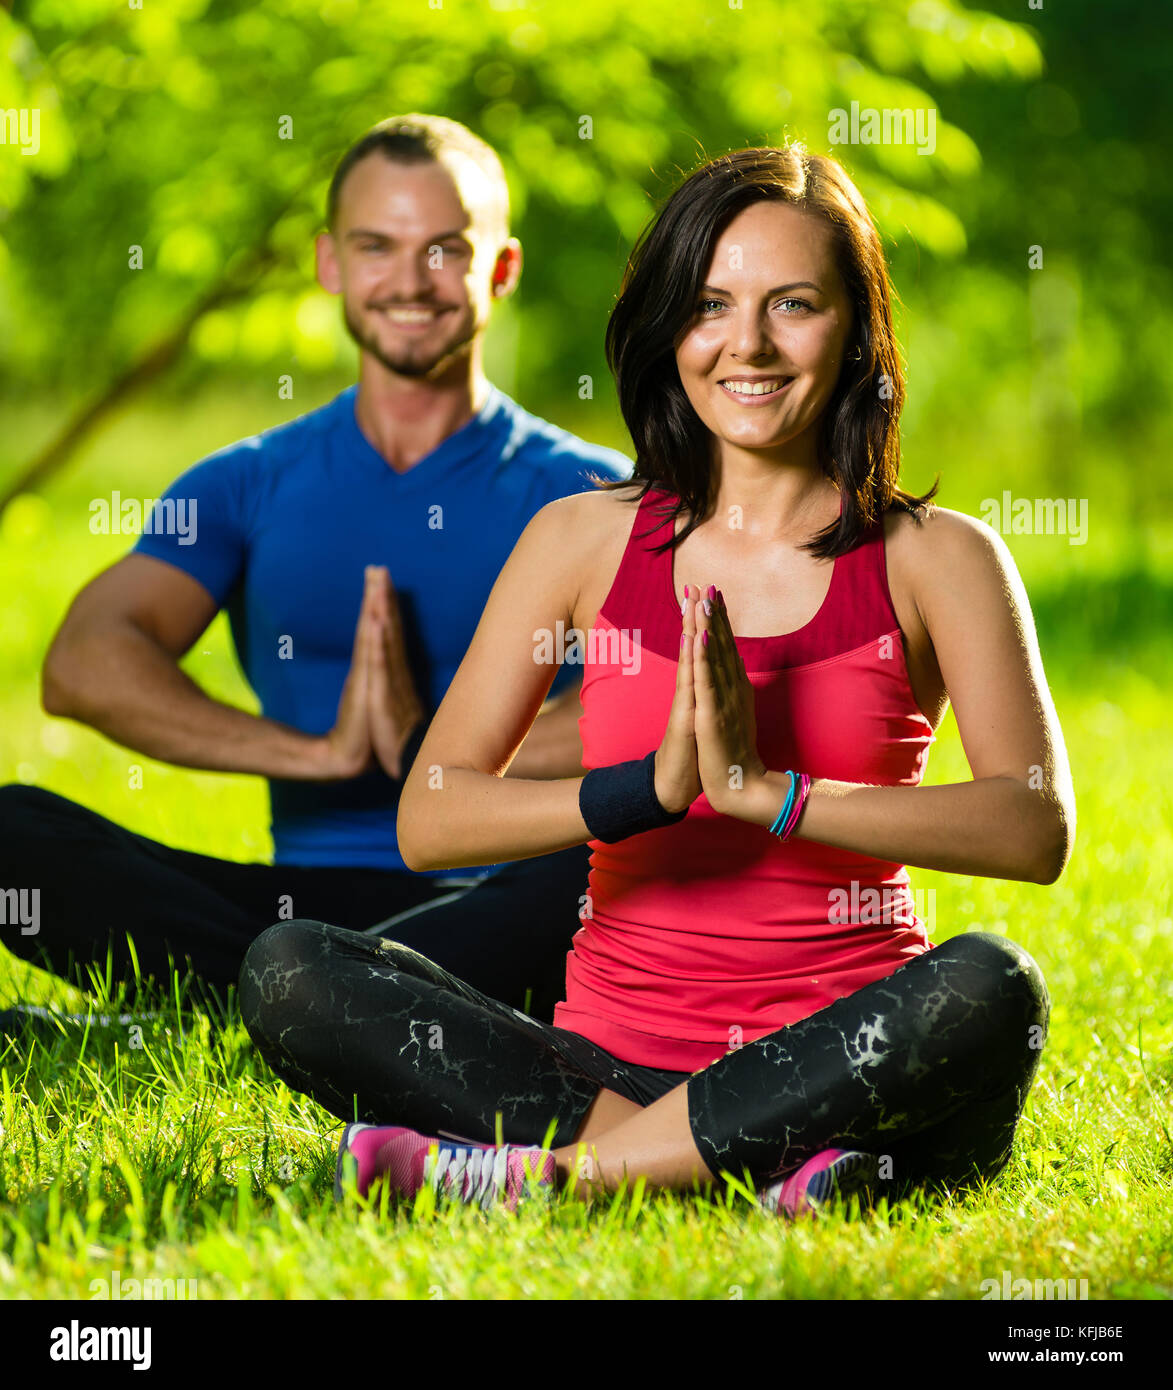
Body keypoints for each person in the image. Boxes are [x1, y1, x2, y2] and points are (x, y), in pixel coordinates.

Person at [238, 143, 1074, 1216]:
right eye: (711, 305)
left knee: (993, 985)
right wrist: (649, 792)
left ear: (857, 329)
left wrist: (774, 794)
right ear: (668, 328)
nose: (748, 345)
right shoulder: (581, 539)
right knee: (291, 964)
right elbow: (431, 817)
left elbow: (1032, 826)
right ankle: (743, 1173)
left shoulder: (935, 555)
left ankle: (561, 1180)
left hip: (846, 1067)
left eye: (795, 304)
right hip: (606, 1065)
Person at [0, 114, 630, 1030]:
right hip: (293, 907)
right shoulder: (244, 481)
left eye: (444, 250)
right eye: (377, 247)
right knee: (14, 831)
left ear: (502, 268)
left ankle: (250, 1006)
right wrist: (314, 755)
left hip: (502, 895)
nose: (409, 282)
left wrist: (434, 751)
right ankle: (306, 997)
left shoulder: (596, 494)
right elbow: (85, 662)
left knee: (622, 867)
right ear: (330, 263)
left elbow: (669, 702)